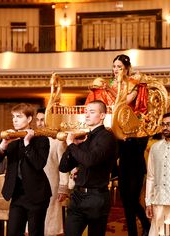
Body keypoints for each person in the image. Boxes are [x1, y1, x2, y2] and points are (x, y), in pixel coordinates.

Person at [85, 54, 150, 236]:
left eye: (119, 67)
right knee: (126, 198)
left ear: (127, 69)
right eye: (114, 66)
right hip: (116, 136)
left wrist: (110, 90)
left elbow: (124, 102)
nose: (115, 70)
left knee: (131, 198)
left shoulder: (134, 84)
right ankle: (139, 227)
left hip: (131, 136)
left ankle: (142, 225)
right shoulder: (111, 85)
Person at [0, 103, 51, 236]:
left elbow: (39, 164)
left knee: (35, 233)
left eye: (19, 116)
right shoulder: (10, 138)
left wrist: (27, 143)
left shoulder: (41, 140)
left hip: (37, 195)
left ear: (29, 119)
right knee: (13, 232)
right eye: (13, 116)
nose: (14, 120)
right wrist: (3, 145)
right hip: (17, 195)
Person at [59, 100, 117, 236]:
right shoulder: (84, 138)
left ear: (102, 115)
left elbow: (90, 161)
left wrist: (71, 145)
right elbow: (63, 167)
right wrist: (72, 145)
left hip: (97, 197)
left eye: (92, 112)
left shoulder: (107, 137)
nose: (87, 115)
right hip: (77, 196)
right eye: (86, 112)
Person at [36, 107, 69, 236]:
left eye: (43, 120)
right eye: (37, 120)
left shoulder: (57, 141)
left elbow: (63, 165)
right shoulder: (33, 138)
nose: (40, 123)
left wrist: (63, 187)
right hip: (34, 186)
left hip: (52, 185)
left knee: (51, 223)